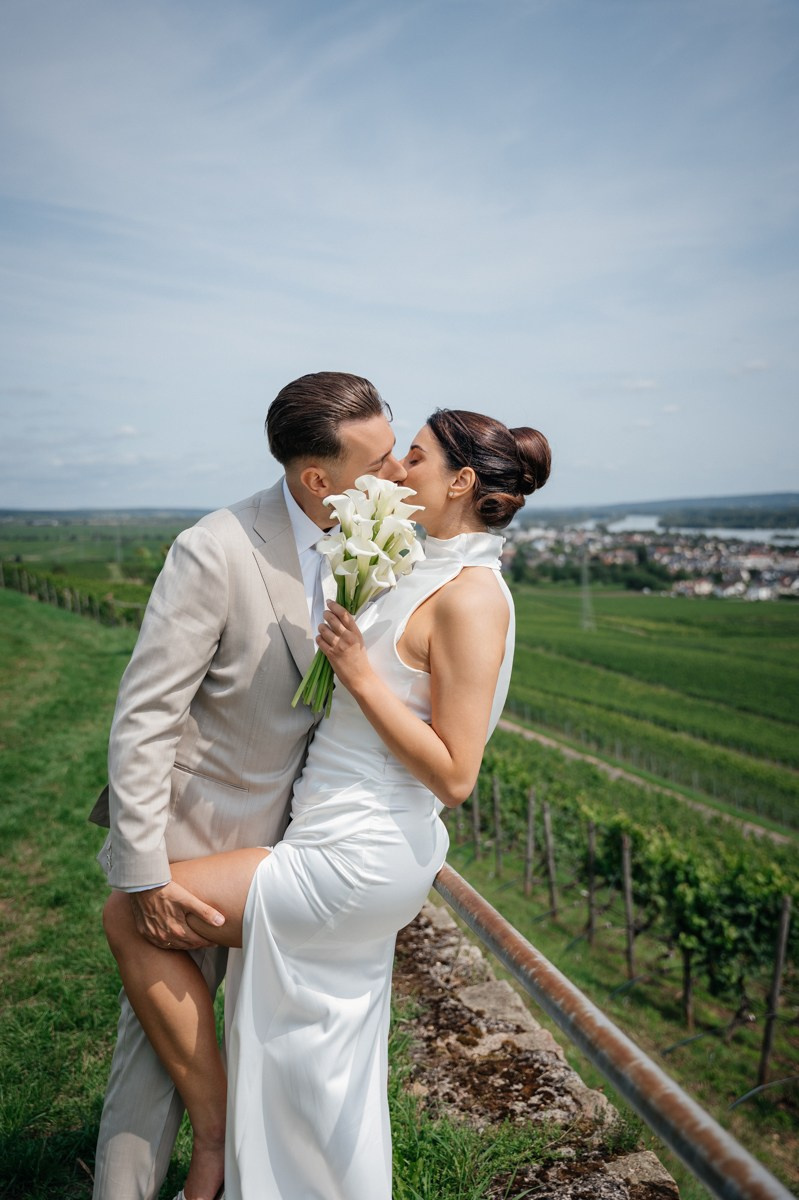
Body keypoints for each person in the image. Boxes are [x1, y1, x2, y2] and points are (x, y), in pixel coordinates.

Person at [102, 408, 552, 1200]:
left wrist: (359, 673)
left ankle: (213, 1138)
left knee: (127, 914)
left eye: (411, 456)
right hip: (333, 831)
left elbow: (455, 775)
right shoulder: (419, 562)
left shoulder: (474, 596)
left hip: (359, 851)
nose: (394, 470)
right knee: (318, 1064)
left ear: (460, 481)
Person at [90, 372, 408, 1200]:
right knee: (154, 1059)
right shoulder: (216, 548)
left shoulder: (366, 535)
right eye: (381, 459)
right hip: (194, 832)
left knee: (254, 1038)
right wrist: (145, 871)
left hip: (293, 845)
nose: (400, 471)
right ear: (318, 479)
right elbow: (144, 718)